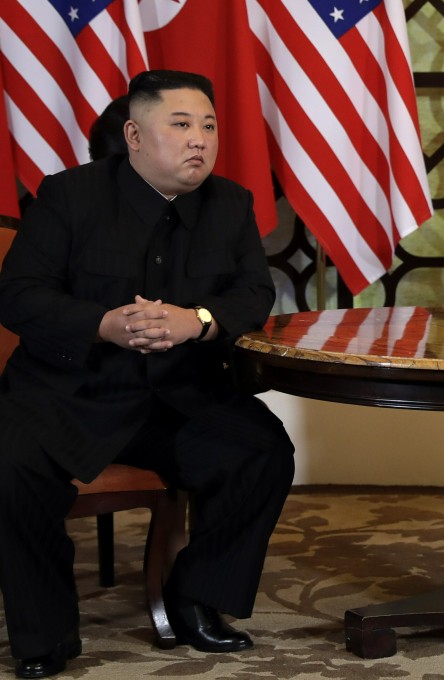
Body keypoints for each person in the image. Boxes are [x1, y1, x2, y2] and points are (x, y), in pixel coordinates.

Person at [0, 70, 295, 678]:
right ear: (134, 135)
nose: (200, 141)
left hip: (177, 395)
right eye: (181, 125)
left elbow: (254, 293)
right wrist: (102, 324)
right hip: (70, 389)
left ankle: (197, 599)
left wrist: (200, 320)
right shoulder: (68, 195)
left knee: (261, 451)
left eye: (209, 126)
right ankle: (44, 634)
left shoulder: (232, 203)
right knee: (12, 466)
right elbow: (19, 296)